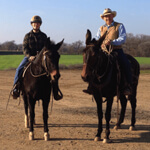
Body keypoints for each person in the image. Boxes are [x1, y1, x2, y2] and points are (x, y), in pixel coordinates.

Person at [12, 15, 62, 100]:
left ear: (40, 24)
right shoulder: (27, 36)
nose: (36, 25)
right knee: (19, 69)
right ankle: (16, 88)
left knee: (53, 72)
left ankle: (55, 91)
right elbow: (25, 48)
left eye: (38, 23)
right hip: (30, 57)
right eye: (34, 23)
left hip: (41, 58)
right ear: (32, 24)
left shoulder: (44, 36)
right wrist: (29, 56)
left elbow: (46, 48)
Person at [83, 8, 132, 95]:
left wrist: (112, 42)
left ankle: (127, 86)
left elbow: (123, 38)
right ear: (103, 18)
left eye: (109, 15)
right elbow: (97, 38)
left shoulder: (119, 26)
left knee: (126, 63)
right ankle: (91, 86)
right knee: (94, 64)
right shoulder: (101, 28)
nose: (107, 17)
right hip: (103, 51)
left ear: (112, 16)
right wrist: (96, 44)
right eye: (105, 16)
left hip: (116, 51)